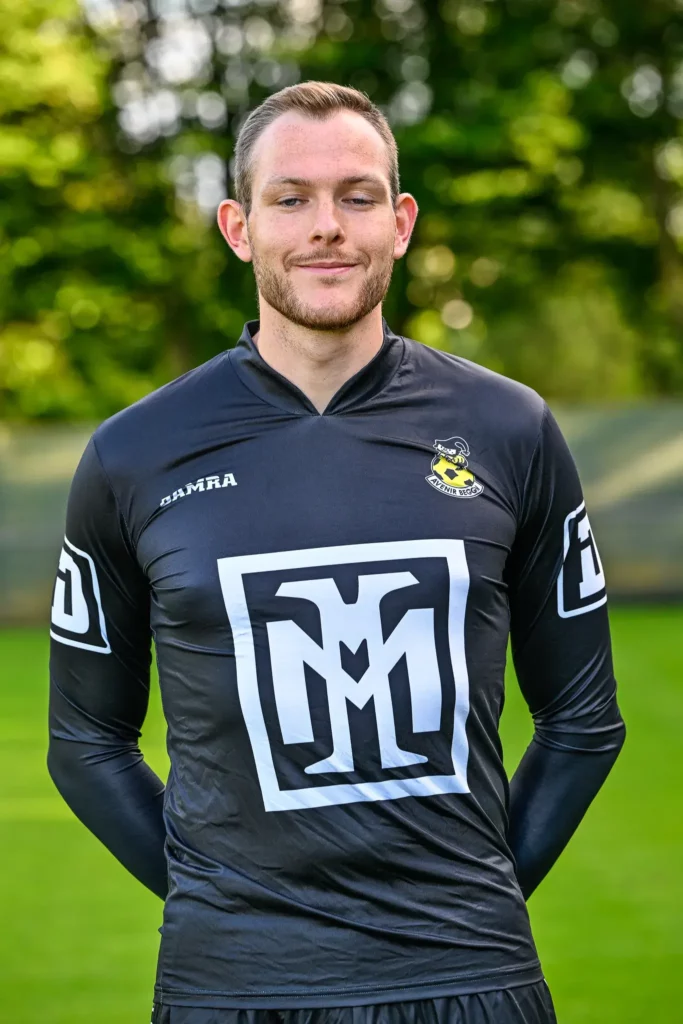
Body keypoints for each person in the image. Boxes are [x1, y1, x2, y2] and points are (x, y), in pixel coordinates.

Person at [48, 81, 626, 1024]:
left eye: (357, 196)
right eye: (291, 198)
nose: (327, 226)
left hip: (471, 980)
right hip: (229, 988)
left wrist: (471, 904)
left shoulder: (508, 427)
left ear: (399, 223)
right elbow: (84, 744)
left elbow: (582, 722)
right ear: (239, 227)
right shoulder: (132, 454)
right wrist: (230, 911)